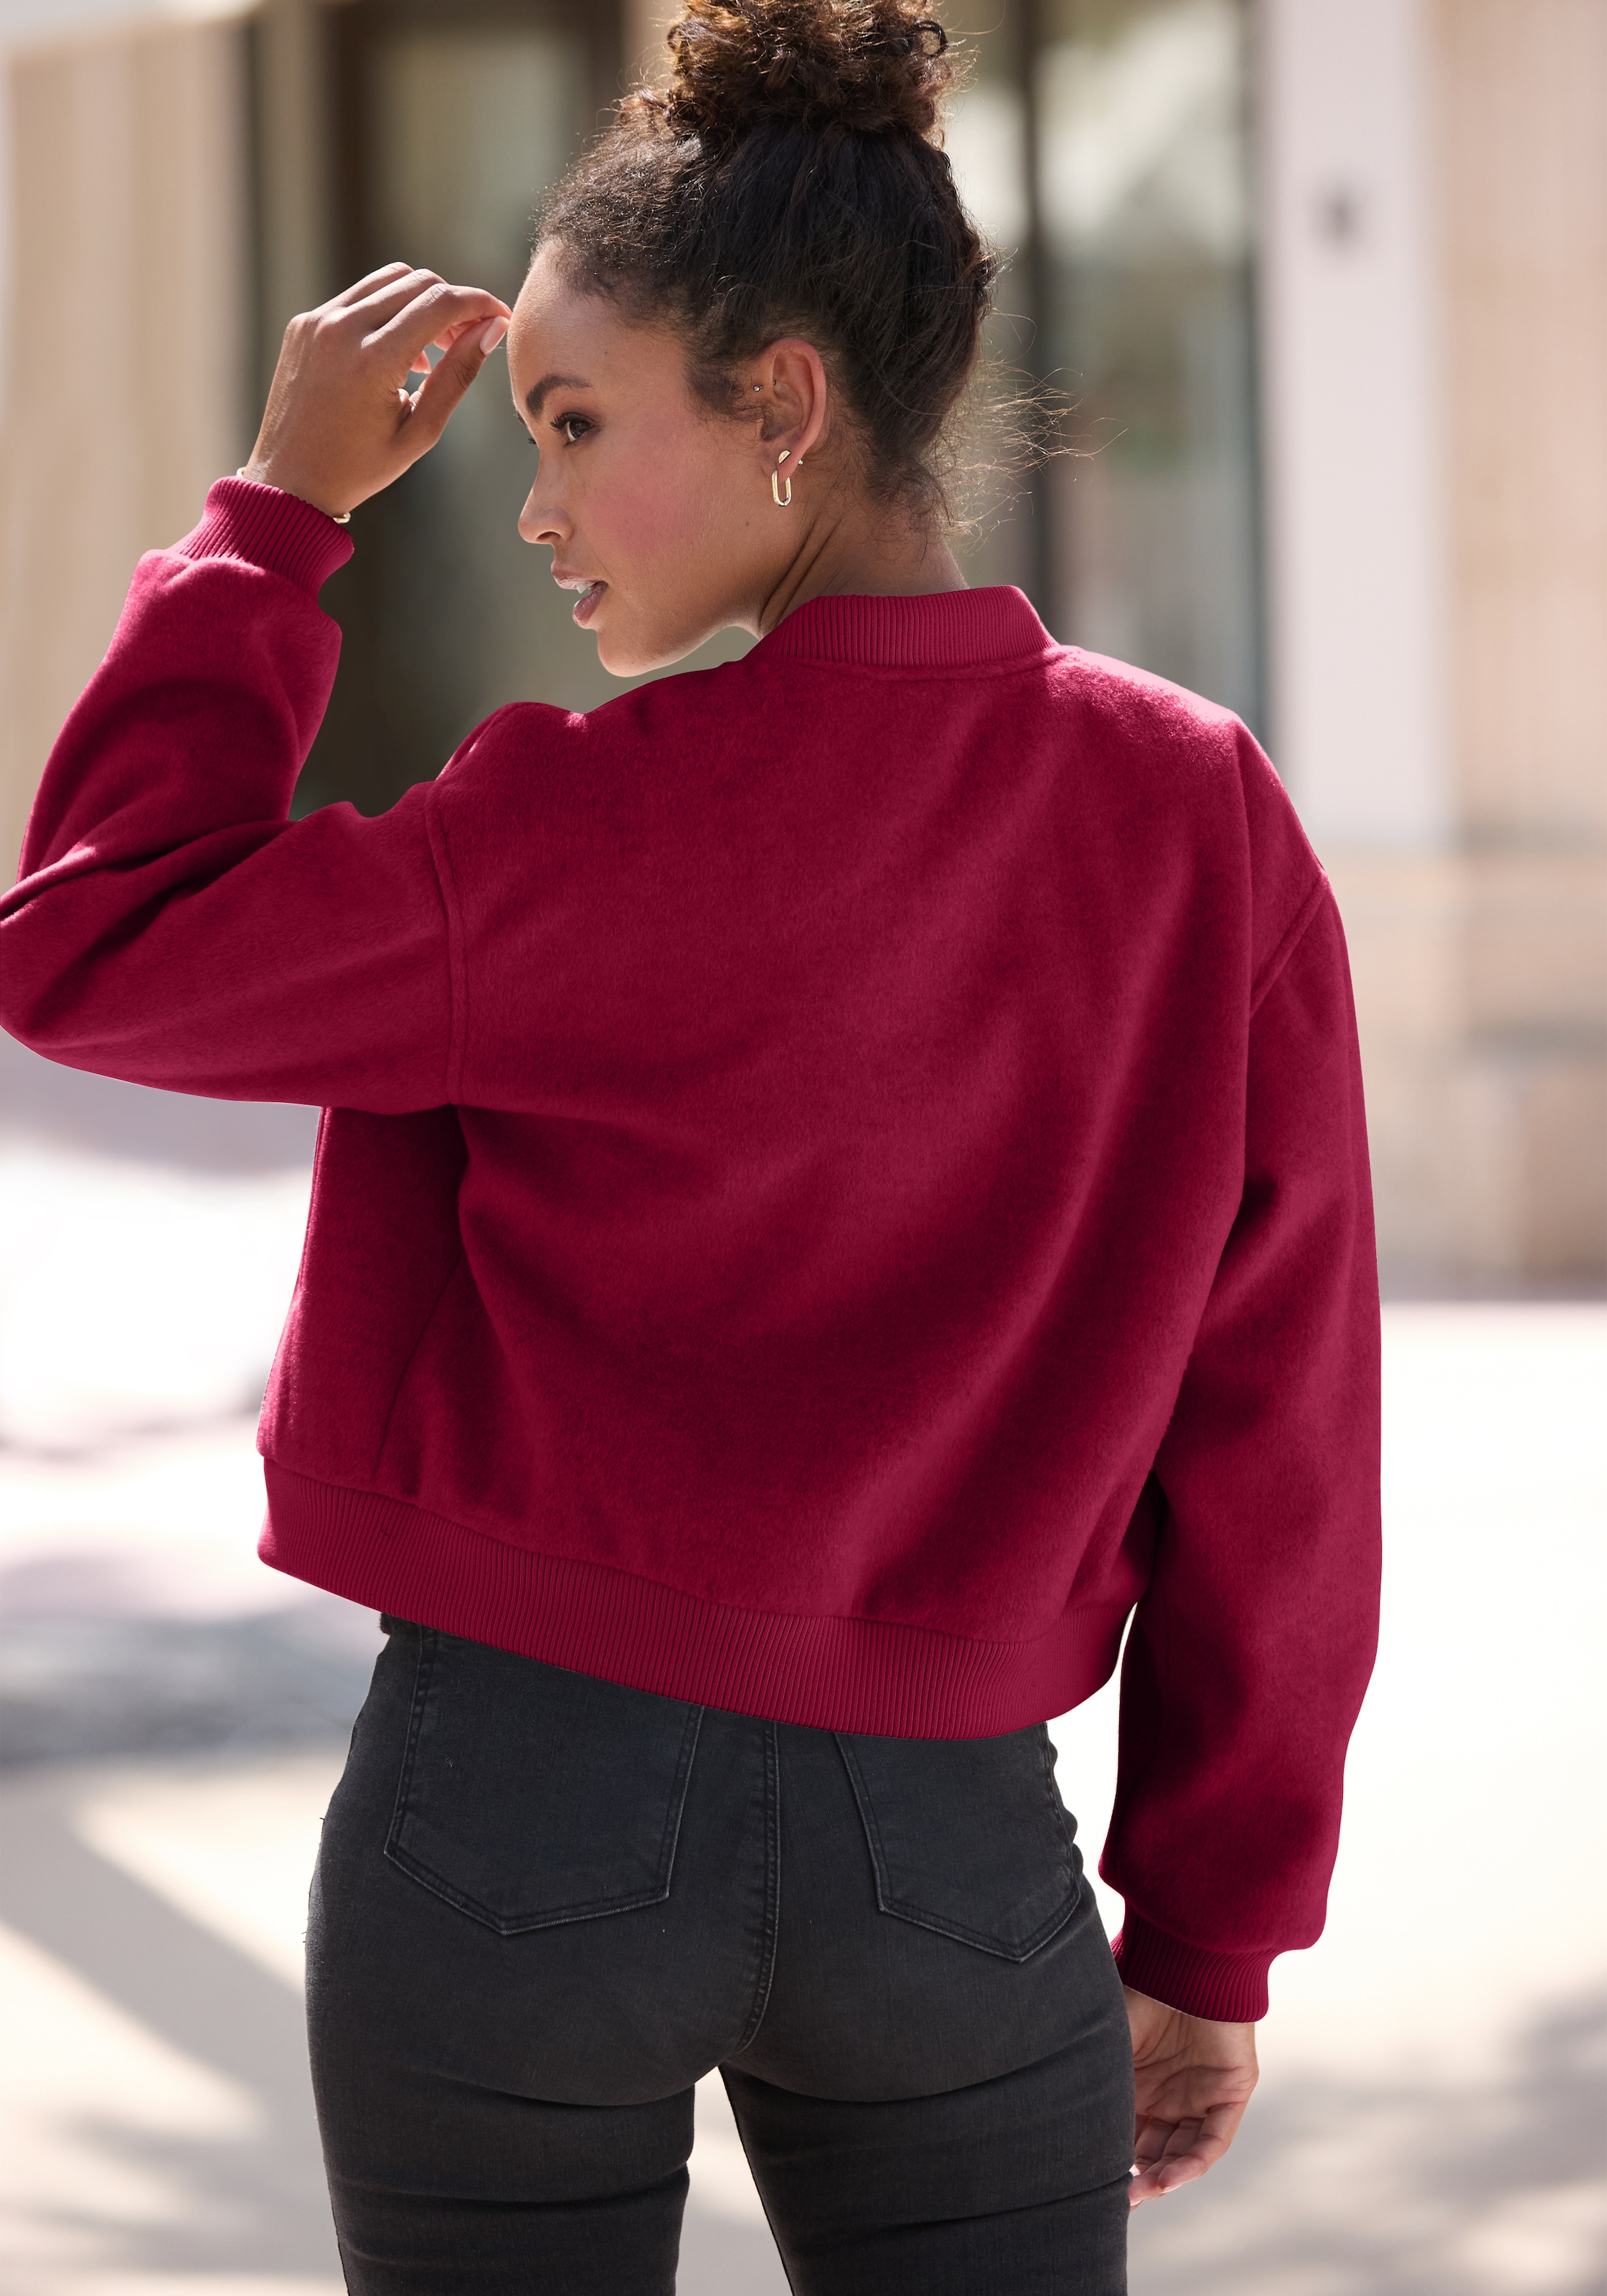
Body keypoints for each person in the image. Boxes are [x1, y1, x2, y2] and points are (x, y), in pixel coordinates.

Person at [0, 1, 1381, 2288]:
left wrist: (280, 513)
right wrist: (1215, 1926)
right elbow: (1285, 1416)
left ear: (787, 405)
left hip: (507, 1831)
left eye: (568, 423)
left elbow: (84, 946)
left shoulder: (554, 825)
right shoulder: (1195, 810)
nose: (527, 503)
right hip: (953, 1870)